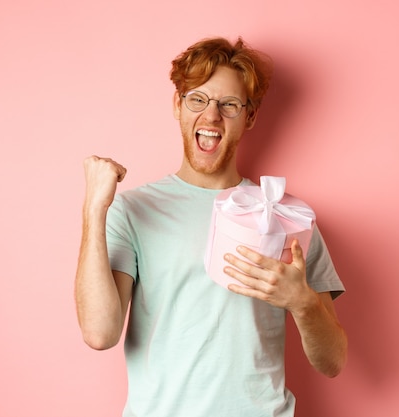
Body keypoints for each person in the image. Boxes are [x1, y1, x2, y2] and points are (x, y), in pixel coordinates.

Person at [75, 37, 347, 417]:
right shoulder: (133, 210)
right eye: (198, 99)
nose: (212, 116)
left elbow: (332, 361)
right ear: (178, 105)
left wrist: (302, 302)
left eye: (229, 105)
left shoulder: (286, 217)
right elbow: (100, 333)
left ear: (249, 116)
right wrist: (94, 208)